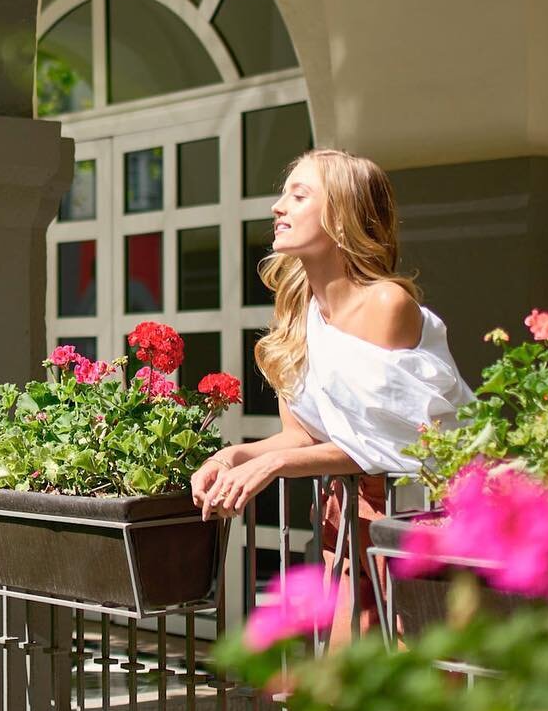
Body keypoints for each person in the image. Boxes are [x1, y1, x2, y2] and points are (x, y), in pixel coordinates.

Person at [190, 148, 472, 639]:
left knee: (418, 683)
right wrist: (233, 456)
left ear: (342, 216)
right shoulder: (296, 314)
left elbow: (388, 447)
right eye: (283, 193)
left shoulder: (387, 302)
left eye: (298, 195)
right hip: (343, 517)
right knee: (344, 681)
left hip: (416, 517)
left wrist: (272, 468)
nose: (279, 206)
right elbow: (301, 437)